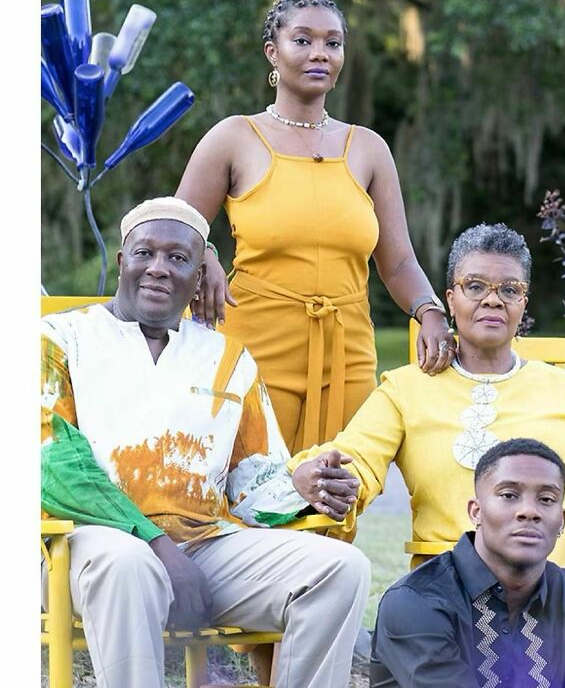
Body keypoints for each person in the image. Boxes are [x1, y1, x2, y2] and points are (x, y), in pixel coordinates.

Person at [41, 197, 369, 688]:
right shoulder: (60, 338)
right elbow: (53, 467)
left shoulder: (226, 357)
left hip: (204, 551)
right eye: (144, 253)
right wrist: (158, 547)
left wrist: (300, 486)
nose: (157, 268)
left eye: (178, 259)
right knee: (128, 564)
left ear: (199, 278)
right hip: (84, 549)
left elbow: (251, 477)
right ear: (121, 261)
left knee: (340, 569)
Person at [290, 223, 565, 635]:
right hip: (467, 592)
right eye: (475, 286)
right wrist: (325, 477)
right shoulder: (405, 390)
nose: (493, 300)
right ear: (450, 299)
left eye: (509, 290)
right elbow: (354, 461)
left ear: (523, 303)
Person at [175, 0, 455, 455]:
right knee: (252, 492)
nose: (320, 53)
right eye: (302, 40)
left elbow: (399, 260)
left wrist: (429, 312)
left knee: (340, 493)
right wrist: (205, 253)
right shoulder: (234, 137)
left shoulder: (368, 148)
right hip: (255, 346)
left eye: (333, 42)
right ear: (273, 51)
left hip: (347, 352)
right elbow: (176, 227)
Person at [370, 439, 565, 688]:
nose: (529, 511)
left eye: (546, 499)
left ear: (562, 521)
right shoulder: (418, 603)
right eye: (509, 495)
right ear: (476, 511)